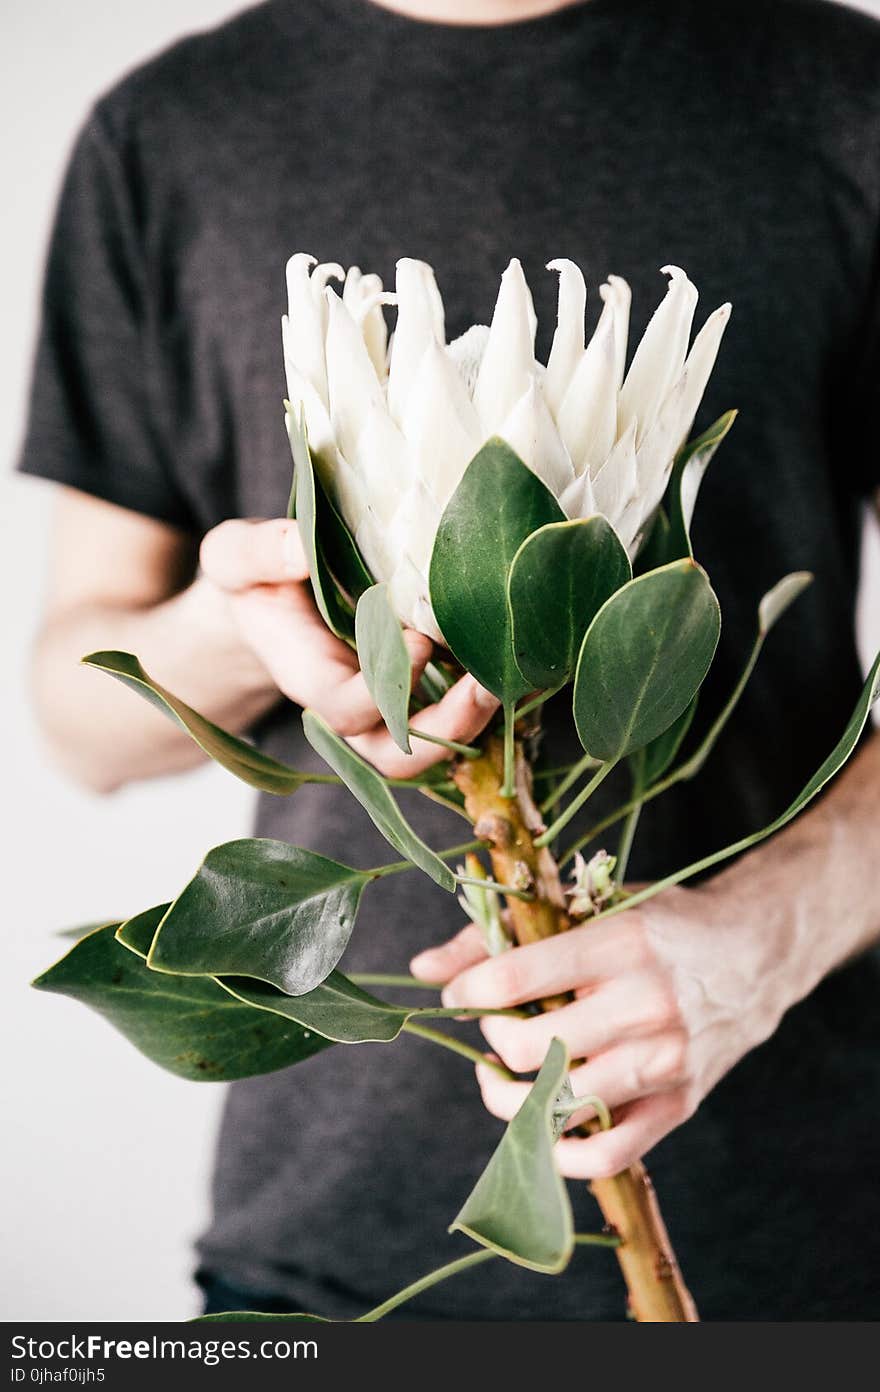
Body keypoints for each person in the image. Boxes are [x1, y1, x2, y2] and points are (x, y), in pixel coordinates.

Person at [19, 0, 880, 1321]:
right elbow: (79, 717)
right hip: (319, 1261)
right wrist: (226, 625)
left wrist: (766, 933)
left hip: (814, 1237)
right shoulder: (167, 133)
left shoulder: (846, 91)